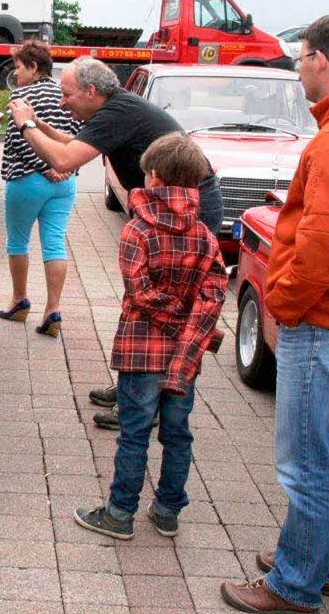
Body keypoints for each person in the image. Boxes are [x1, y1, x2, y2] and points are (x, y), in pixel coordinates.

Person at [220, 11, 329, 614]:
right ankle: (326, 565)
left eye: (300, 58)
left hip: (325, 322)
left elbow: (324, 245)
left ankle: (294, 584)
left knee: (307, 463)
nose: (297, 70)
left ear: (322, 58)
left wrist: (282, 303)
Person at [7, 58, 224, 413]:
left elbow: (64, 161)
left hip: (189, 208)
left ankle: (146, 405)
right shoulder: (114, 109)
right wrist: (41, 125)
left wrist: (26, 123)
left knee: (160, 306)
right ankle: (134, 389)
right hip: (168, 209)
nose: (63, 103)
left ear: (91, 91)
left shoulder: (117, 112)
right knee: (143, 302)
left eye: (67, 95)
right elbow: (75, 144)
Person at [72, 132, 227, 541]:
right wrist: (191, 328)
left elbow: (139, 292)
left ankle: (120, 512)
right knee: (178, 433)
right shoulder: (206, 237)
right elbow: (214, 294)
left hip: (141, 353)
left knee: (134, 434)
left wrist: (172, 318)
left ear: (154, 178)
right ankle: (168, 510)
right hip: (184, 359)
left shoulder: (137, 232)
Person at [0, 40, 79, 336]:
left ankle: (19, 302)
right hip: (65, 182)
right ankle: (52, 310)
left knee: (18, 242)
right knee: (55, 242)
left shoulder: (20, 97)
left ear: (33, 66)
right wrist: (64, 167)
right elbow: (79, 137)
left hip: (27, 180)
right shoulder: (67, 95)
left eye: (18, 67)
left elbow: (18, 139)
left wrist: (45, 167)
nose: (16, 74)